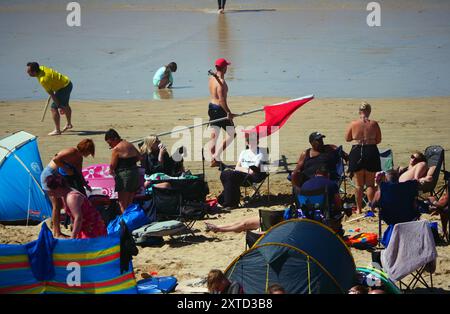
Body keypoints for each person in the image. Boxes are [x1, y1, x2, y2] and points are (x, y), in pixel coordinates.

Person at [40, 139, 95, 238]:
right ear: (85, 149)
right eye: (89, 151)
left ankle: (67, 229)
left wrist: (85, 184)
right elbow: (56, 159)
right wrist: (66, 169)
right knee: (56, 205)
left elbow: (79, 172)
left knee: (63, 204)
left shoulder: (79, 158)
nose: (89, 154)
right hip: (49, 175)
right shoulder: (72, 151)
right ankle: (57, 232)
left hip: (58, 176)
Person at [345, 102, 382, 214]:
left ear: (359, 112)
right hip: (371, 150)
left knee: (359, 184)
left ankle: (359, 209)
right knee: (370, 184)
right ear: (369, 111)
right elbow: (378, 140)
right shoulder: (374, 124)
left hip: (357, 151)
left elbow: (347, 138)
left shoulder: (354, 123)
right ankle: (371, 208)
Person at [45, 174, 106, 239]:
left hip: (92, 227)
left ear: (58, 188)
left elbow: (78, 218)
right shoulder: (64, 195)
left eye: (52, 192)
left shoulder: (72, 197)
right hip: (84, 227)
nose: (52, 195)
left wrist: (73, 237)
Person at [218, 134, 268, 208]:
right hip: (242, 174)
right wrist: (244, 169)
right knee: (224, 174)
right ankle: (230, 201)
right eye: (250, 141)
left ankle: (230, 202)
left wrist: (241, 169)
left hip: (251, 177)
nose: (252, 143)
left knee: (230, 175)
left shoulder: (261, 153)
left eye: (254, 141)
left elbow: (253, 170)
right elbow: (237, 166)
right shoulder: (244, 152)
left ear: (257, 142)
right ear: (247, 143)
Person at [298, 166, 349, 234]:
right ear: (328, 174)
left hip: (307, 215)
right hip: (324, 216)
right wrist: (340, 210)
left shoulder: (305, 184)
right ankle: (336, 233)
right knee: (337, 212)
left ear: (316, 174)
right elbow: (338, 203)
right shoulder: (331, 184)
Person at [27, 62, 74, 136]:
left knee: (53, 108)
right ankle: (69, 124)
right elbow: (52, 78)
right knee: (65, 105)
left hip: (63, 88)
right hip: (67, 83)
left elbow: (51, 94)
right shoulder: (41, 68)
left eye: (29, 71)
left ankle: (57, 130)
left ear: (35, 72)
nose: (27, 72)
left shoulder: (43, 80)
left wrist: (58, 106)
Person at [105, 129, 141, 213]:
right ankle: (130, 222)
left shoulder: (116, 149)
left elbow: (112, 165)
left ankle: (124, 224)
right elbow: (140, 157)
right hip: (134, 173)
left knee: (122, 203)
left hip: (124, 175)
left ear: (114, 139)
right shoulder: (130, 144)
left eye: (110, 143)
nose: (110, 146)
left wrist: (110, 171)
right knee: (130, 202)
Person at [208, 58, 236, 167]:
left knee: (214, 135)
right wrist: (229, 113)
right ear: (224, 68)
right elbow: (221, 100)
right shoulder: (221, 83)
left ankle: (213, 159)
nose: (227, 68)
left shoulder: (212, 78)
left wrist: (216, 74)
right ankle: (216, 156)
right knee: (232, 133)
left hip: (211, 107)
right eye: (226, 66)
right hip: (220, 109)